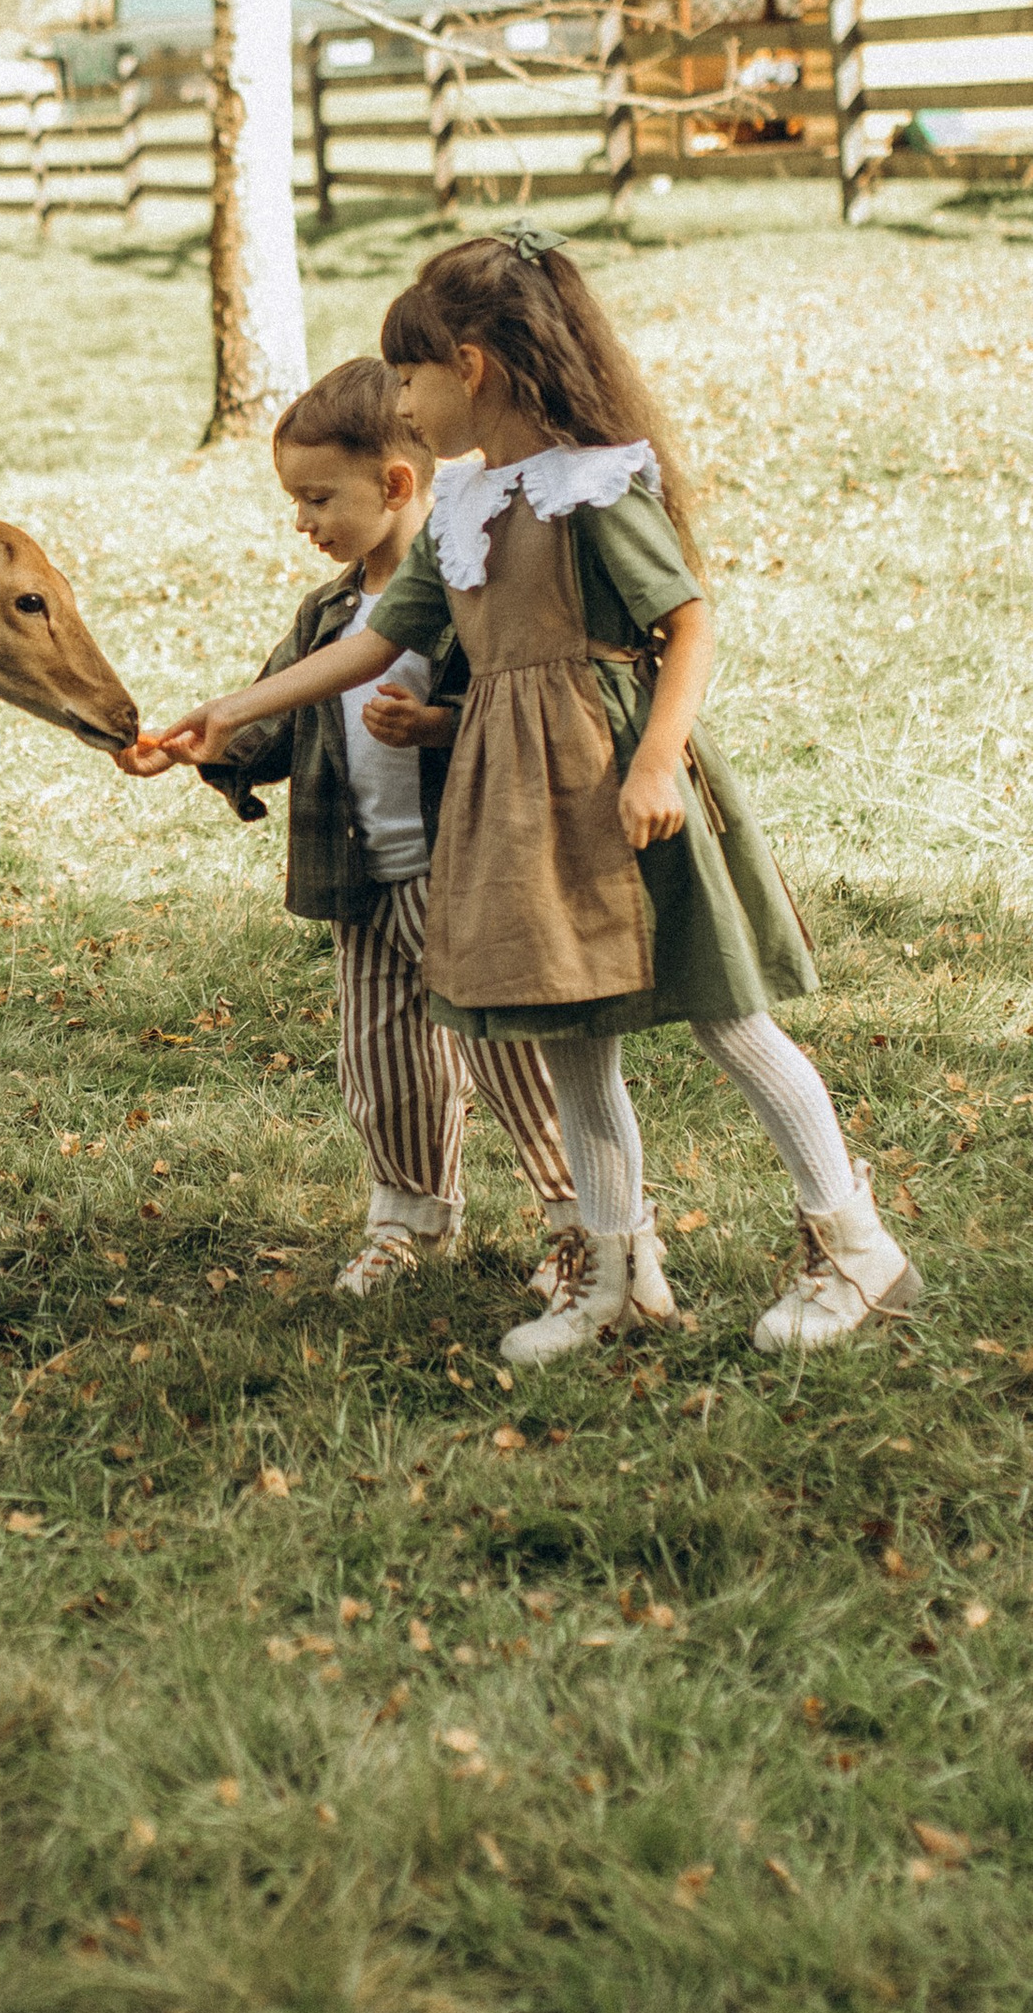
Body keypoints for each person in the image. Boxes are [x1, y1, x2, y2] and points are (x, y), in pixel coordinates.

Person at [148, 232, 917, 1363]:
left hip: (613, 781)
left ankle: (856, 1249)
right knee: (571, 1033)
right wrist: (228, 709)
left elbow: (688, 624)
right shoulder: (463, 504)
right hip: (514, 801)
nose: (399, 403)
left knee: (726, 1015)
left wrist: (658, 761)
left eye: (406, 378)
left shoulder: (590, 483)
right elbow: (375, 642)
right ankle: (614, 1273)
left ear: (471, 368)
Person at [131, 358, 647, 1306]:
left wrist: (438, 726)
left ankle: (579, 1217)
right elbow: (279, 715)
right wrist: (208, 745)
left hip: (467, 877)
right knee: (384, 1060)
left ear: (396, 484)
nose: (303, 522)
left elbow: (524, 706)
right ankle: (409, 1215)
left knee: (510, 1056)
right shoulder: (329, 612)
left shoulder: (474, 586)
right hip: (363, 885)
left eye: (318, 498)